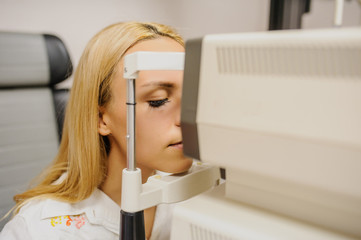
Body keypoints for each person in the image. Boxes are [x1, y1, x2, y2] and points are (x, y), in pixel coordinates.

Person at [0, 21, 193, 240]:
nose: (185, 119)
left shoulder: (203, 188)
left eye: (190, 98)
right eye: (158, 101)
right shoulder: (39, 230)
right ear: (101, 119)